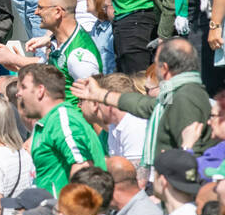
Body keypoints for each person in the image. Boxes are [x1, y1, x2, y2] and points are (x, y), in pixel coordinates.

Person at [78, 37, 211, 169]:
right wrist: (100, 95)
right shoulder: (175, 94)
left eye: (156, 62)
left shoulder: (186, 97)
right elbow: (143, 104)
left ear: (164, 68)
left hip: (182, 184)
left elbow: (194, 155)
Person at [19, 64, 105, 195]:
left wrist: (67, 213)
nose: (18, 93)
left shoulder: (63, 120)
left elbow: (84, 169)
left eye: (24, 87)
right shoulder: (51, 121)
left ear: (40, 90)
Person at [0, 0, 100, 85]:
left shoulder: (79, 53)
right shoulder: (57, 42)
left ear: (57, 12)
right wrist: (18, 64)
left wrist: (13, 59)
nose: (36, 12)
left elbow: (90, 99)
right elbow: (49, 69)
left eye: (41, 8)